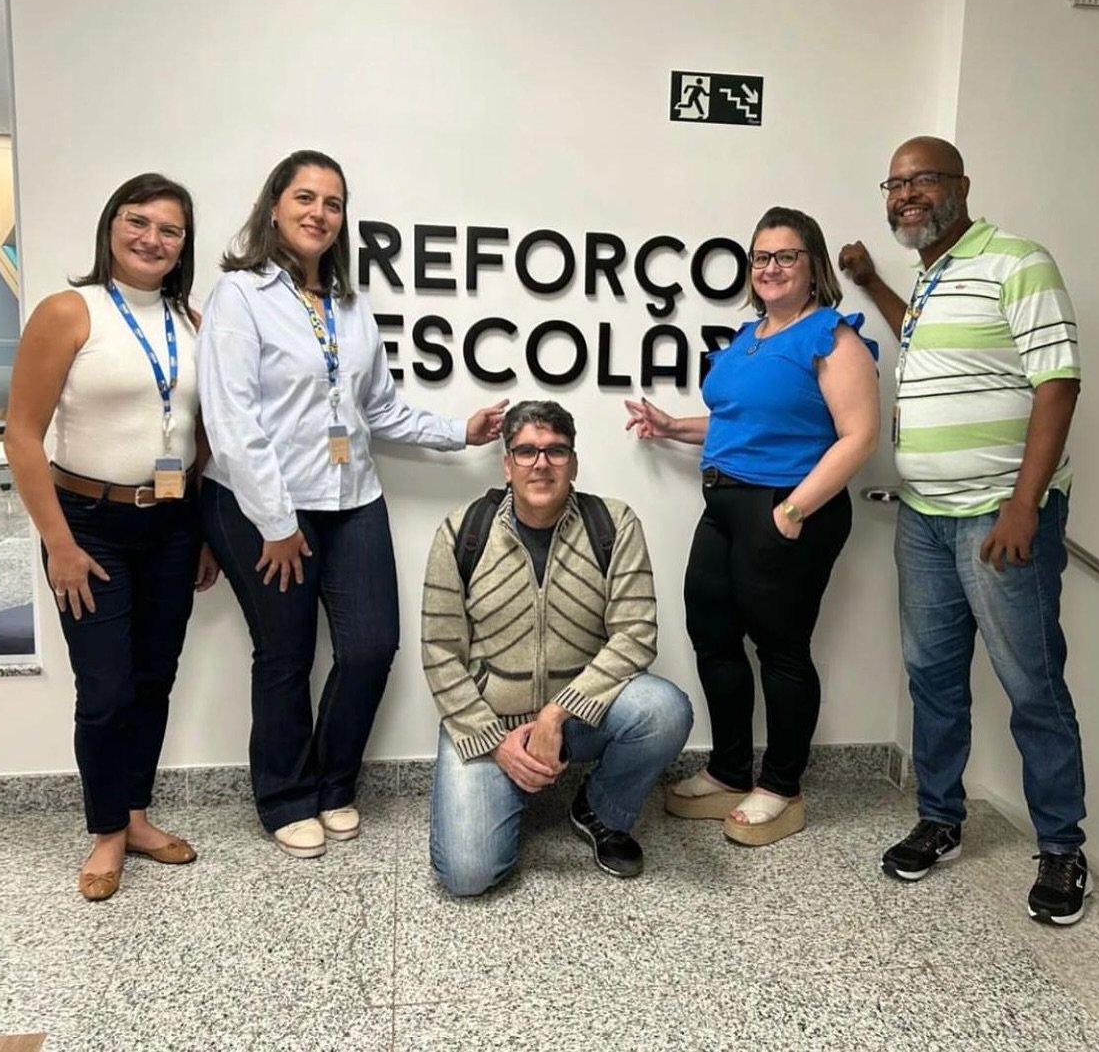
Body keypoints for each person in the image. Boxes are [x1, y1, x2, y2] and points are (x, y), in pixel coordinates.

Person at [198, 150, 506, 860]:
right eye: (305, 197)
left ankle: (334, 783)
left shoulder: (347, 304)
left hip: (352, 496)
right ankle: (285, 797)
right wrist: (276, 523)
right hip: (263, 506)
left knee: (371, 647)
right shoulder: (240, 295)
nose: (319, 213)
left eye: (332, 203)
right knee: (286, 655)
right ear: (274, 205)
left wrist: (459, 432)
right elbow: (231, 421)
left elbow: (378, 410)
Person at [839, 136, 1091, 925]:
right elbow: (915, 334)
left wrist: (1024, 502)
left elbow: (1058, 382)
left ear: (961, 184)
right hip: (924, 515)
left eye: (922, 179)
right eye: (895, 183)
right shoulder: (933, 275)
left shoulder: (1017, 261)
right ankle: (940, 817)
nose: (906, 194)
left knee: (1032, 683)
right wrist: (872, 282)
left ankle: (1062, 846)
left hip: (998, 516)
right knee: (932, 675)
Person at [625, 206, 880, 846]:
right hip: (724, 505)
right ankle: (730, 771)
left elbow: (859, 436)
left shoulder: (833, 338)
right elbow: (739, 421)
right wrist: (672, 426)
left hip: (789, 507)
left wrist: (793, 511)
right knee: (712, 635)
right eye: (761, 257)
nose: (770, 268)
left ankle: (782, 788)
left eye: (785, 256)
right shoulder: (750, 338)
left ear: (812, 266)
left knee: (781, 648)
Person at [4, 173, 218, 901]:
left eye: (170, 230)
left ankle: (136, 815)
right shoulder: (70, 311)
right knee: (104, 689)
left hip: (171, 524)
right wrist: (59, 544)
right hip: (87, 524)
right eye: (138, 221)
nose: (152, 239)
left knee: (154, 678)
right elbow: (22, 436)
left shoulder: (193, 322)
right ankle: (104, 831)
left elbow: (199, 435)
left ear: (184, 244)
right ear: (111, 226)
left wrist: (202, 530)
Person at [423, 399, 693, 895]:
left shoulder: (614, 525)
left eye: (556, 450)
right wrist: (496, 744)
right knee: (468, 875)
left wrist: (554, 715)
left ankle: (600, 810)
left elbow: (636, 634)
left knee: (664, 709)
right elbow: (439, 651)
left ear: (574, 461)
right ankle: (509, 783)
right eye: (526, 451)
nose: (541, 463)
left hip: (580, 718)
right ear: (507, 464)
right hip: (493, 722)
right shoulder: (462, 532)